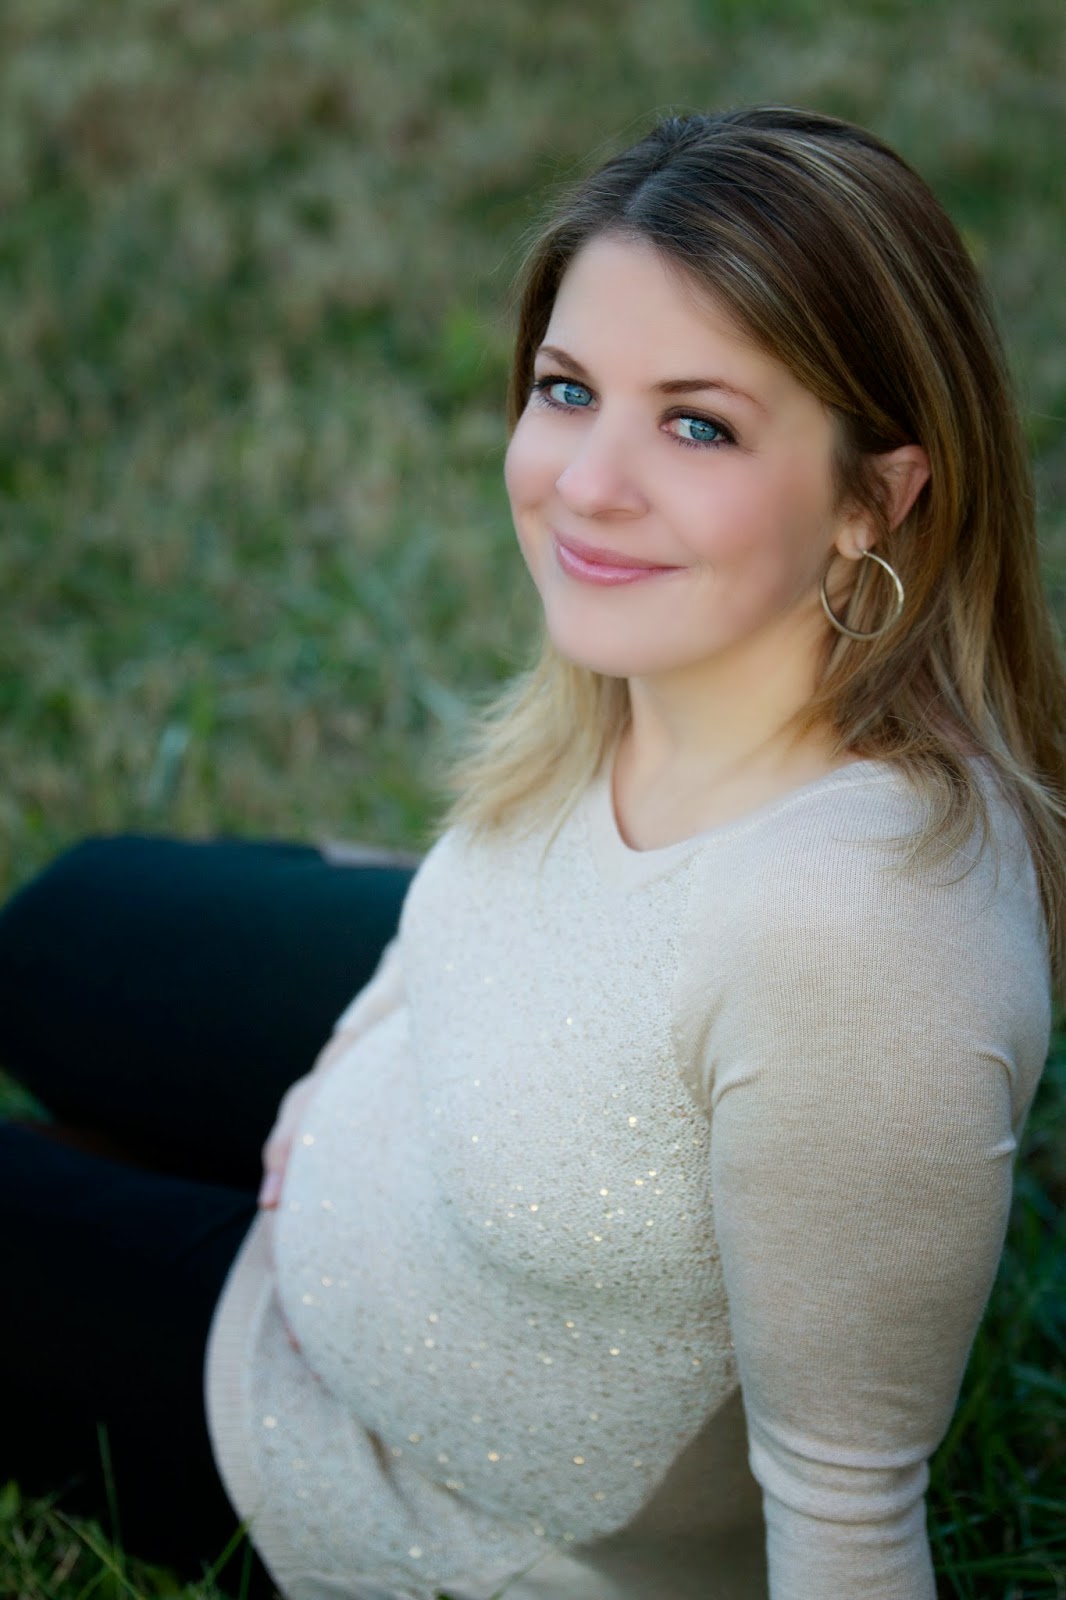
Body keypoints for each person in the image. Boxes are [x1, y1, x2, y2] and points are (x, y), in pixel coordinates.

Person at [1, 104, 1063, 1600]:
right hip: (420, 1101)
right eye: (569, 391)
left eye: (698, 423)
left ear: (873, 497)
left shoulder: (860, 943)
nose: (586, 483)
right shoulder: (674, 649)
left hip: (389, 1459)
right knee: (57, 936)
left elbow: (847, 1515)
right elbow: (487, 892)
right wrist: (326, 1082)